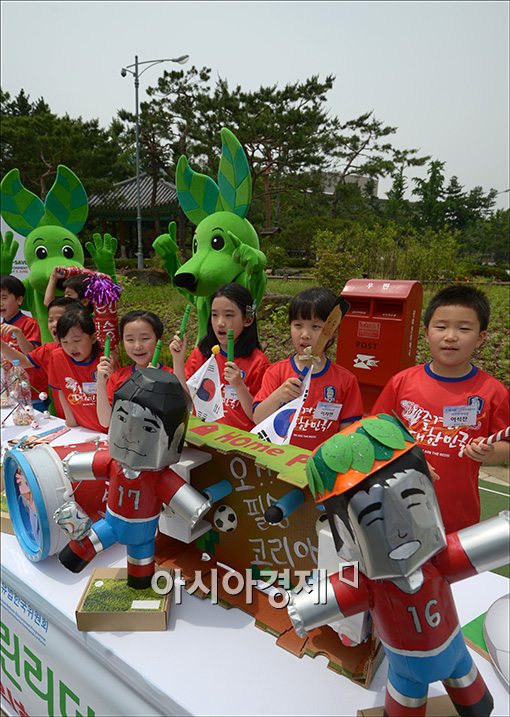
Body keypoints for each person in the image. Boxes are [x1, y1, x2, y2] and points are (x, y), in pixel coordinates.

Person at [372, 285, 509, 534]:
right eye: (441, 326)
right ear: (426, 333)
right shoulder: (402, 382)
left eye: (464, 329)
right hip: (396, 507)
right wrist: (407, 458)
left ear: (481, 338)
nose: (451, 336)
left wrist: (490, 452)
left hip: (457, 515)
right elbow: (374, 434)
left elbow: (506, 446)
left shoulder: (493, 392)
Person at [252, 287, 363, 450]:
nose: (305, 334)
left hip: (320, 461)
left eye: (315, 326)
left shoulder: (345, 380)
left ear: (331, 331)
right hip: (278, 458)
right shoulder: (276, 372)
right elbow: (257, 418)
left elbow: (347, 432)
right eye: (298, 325)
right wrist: (279, 395)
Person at [170, 284, 270, 431]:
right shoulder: (203, 353)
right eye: (214, 314)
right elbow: (183, 399)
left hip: (238, 440)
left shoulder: (258, 362)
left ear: (248, 319)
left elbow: (258, 418)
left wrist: (239, 385)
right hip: (201, 435)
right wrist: (177, 360)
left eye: (228, 315)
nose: (220, 323)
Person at [0, 297, 81, 418]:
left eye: (59, 319)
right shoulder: (48, 350)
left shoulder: (90, 352)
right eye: (50, 320)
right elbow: (23, 361)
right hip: (67, 421)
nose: (54, 324)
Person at [96, 310, 172, 428]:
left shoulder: (171, 377)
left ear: (159, 339)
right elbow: (106, 422)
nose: (137, 346)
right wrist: (100, 382)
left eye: (145, 338)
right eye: (130, 340)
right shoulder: (117, 377)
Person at [47, 307, 104, 432]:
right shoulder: (58, 357)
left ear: (93, 338)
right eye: (65, 342)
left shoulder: (104, 360)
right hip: (80, 429)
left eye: (76, 340)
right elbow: (61, 390)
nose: (71, 348)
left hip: (106, 429)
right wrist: (70, 419)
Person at [0, 274, 47, 411]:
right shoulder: (1, 327)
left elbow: (32, 355)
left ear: (19, 300)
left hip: (33, 392)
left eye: (4, 298)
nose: (0, 303)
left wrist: (19, 334)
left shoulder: (29, 323)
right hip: (11, 392)